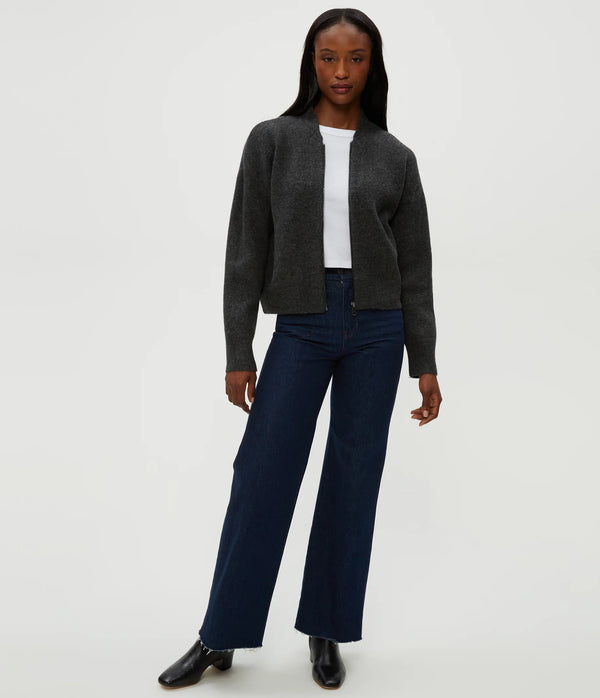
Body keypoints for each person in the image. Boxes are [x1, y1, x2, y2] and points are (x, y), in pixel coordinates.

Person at [158, 7, 442, 691]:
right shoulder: (273, 141)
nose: (341, 71)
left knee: (353, 480)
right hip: (302, 325)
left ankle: (326, 629)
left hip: (378, 329)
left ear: (373, 67)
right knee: (261, 473)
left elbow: (415, 269)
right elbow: (245, 250)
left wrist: (425, 362)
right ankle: (220, 635)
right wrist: (238, 347)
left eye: (355, 58)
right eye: (328, 57)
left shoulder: (395, 157)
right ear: (310, 61)